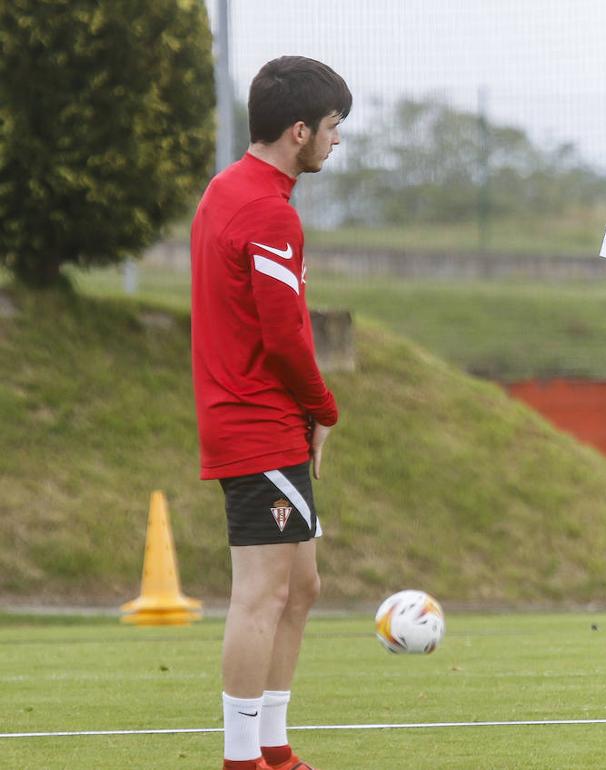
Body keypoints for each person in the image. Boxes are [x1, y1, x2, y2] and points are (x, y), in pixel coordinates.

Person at [190, 55, 351, 770]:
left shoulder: (230, 189)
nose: (335, 141)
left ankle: (274, 747)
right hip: (258, 421)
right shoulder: (266, 211)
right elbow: (285, 334)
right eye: (331, 127)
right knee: (261, 593)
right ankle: (240, 759)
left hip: (259, 417)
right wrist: (324, 408)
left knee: (302, 585)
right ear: (298, 131)